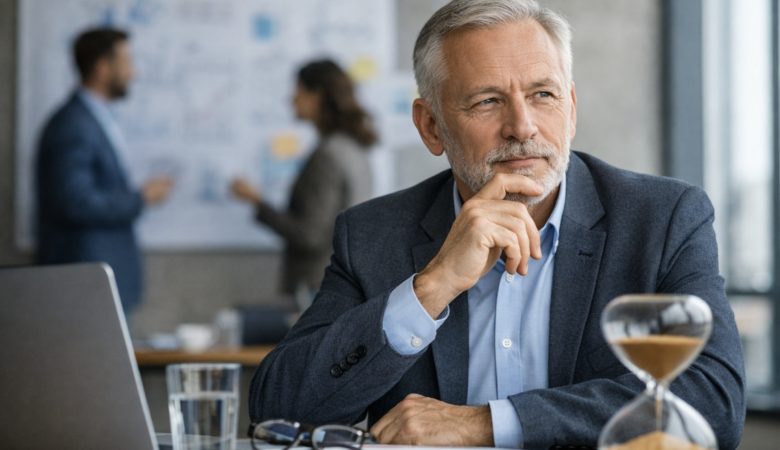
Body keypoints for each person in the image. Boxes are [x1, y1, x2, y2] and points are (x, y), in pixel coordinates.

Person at [248, 1, 746, 449]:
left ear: (571, 110)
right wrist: (431, 288)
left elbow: (714, 401)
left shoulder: (663, 218)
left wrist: (486, 424)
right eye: (487, 101)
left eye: (543, 94)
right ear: (431, 127)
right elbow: (278, 410)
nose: (522, 126)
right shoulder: (373, 234)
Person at [35, 29, 172, 317]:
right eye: (127, 63)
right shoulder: (73, 125)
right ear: (102, 68)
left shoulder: (96, 118)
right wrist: (140, 198)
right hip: (85, 285)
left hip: (99, 283)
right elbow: (76, 202)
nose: (133, 73)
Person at [231, 60, 376, 303]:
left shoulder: (328, 155)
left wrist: (257, 203)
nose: (291, 99)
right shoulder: (353, 149)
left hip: (317, 287)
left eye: (298, 90)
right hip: (341, 284)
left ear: (317, 95)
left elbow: (309, 235)